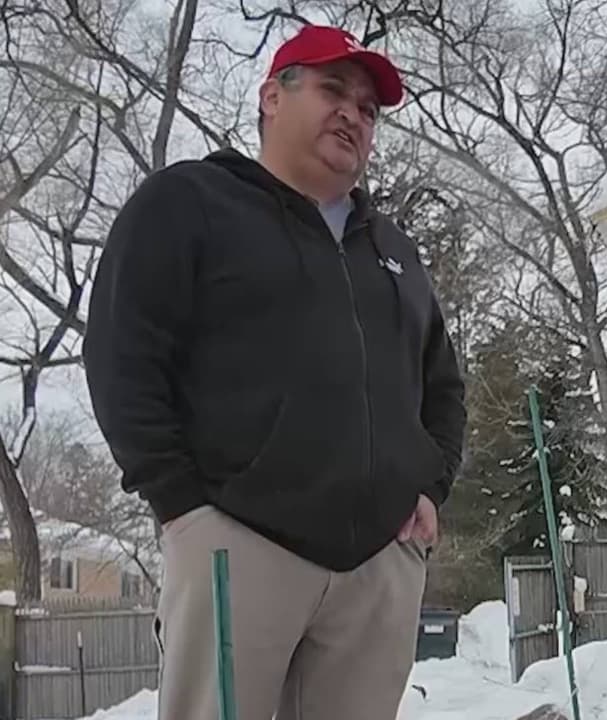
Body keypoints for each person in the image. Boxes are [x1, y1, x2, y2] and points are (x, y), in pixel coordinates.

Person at [82, 25, 467, 720]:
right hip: (238, 540)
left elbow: (443, 386)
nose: (353, 113)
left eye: (369, 108)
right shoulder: (192, 202)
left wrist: (430, 486)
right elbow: (122, 354)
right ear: (270, 97)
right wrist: (182, 506)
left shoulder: (394, 251)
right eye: (331, 90)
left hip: (379, 559)